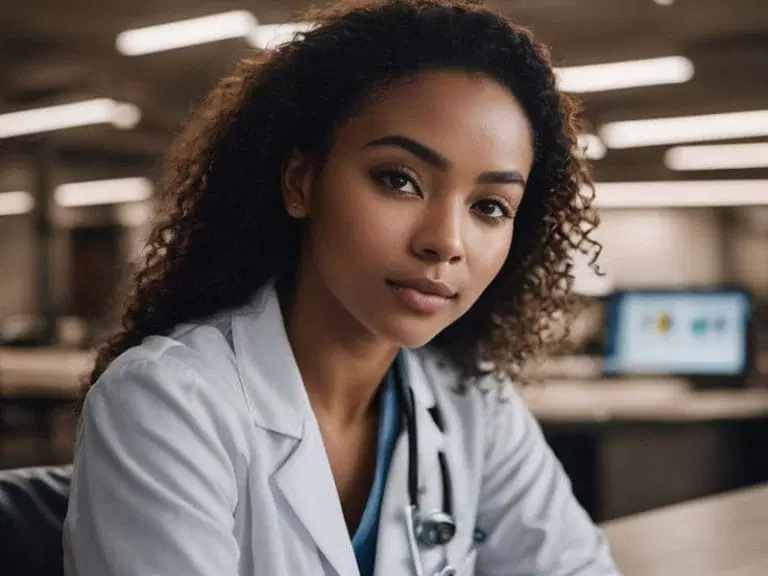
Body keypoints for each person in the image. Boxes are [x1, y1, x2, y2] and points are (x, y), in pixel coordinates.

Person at [63, 1, 619, 574]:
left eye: (490, 206)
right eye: (399, 179)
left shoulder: (474, 406)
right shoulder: (166, 403)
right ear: (302, 183)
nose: (445, 241)